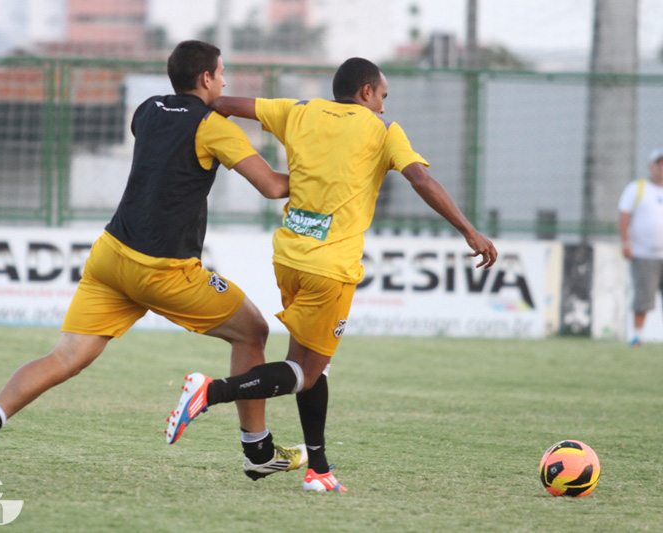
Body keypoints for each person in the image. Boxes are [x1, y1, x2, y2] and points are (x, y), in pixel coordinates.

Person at [0, 40, 308, 482]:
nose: (226, 81)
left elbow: (173, 135)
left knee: (65, 356)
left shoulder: (147, 109)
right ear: (207, 78)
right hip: (164, 271)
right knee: (253, 332)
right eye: (222, 73)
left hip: (111, 257)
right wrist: (326, 178)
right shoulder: (213, 127)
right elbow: (271, 186)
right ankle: (258, 451)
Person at [165, 57, 498, 492]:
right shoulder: (382, 130)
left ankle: (318, 470)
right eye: (382, 96)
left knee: (311, 368)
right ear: (365, 92)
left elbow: (222, 104)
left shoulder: (298, 110)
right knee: (304, 370)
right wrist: (469, 231)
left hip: (288, 256)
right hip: (330, 268)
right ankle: (210, 392)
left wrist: (173, 123)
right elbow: (421, 180)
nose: (382, 106)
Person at [618, 147, 663, 347]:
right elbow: (624, 216)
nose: (661, 168)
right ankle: (637, 336)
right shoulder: (637, 189)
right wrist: (626, 242)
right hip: (644, 253)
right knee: (644, 297)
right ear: (651, 166)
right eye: (659, 164)